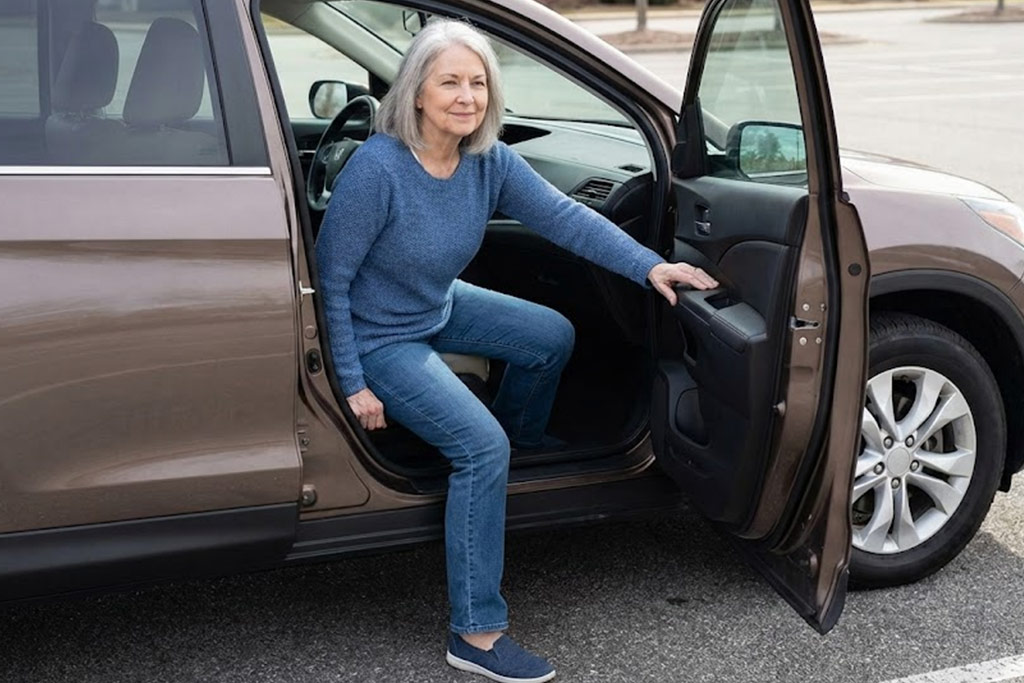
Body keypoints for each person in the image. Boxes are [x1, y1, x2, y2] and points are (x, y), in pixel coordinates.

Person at [315, 18, 718, 683]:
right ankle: (476, 631)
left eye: (478, 82)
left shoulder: (487, 161)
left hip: (437, 305)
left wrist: (651, 267)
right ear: (417, 91)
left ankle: (516, 449)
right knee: (479, 449)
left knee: (550, 336)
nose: (467, 96)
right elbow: (330, 279)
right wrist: (353, 381)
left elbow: (565, 217)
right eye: (449, 81)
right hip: (379, 336)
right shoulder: (377, 168)